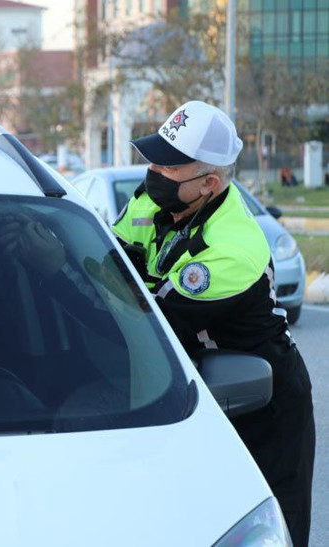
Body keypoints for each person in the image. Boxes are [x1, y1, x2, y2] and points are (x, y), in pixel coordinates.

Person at [109, 100, 314, 546]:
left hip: (262, 400)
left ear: (209, 183)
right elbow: (107, 263)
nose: (153, 172)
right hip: (190, 383)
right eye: (153, 158)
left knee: (267, 526)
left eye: (168, 167)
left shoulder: (233, 247)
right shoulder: (150, 202)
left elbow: (151, 323)